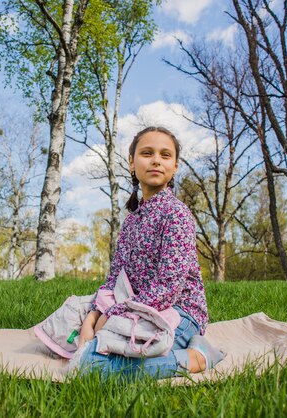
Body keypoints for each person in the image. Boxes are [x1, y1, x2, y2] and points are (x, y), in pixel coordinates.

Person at [75, 126, 224, 379]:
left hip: (179, 314)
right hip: (138, 311)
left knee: (93, 367)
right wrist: (93, 317)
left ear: (175, 166)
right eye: (147, 153)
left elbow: (167, 287)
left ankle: (195, 357)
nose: (156, 160)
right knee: (79, 345)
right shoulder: (131, 221)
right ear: (132, 163)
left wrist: (113, 315)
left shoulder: (176, 214)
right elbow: (114, 279)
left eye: (165, 155)